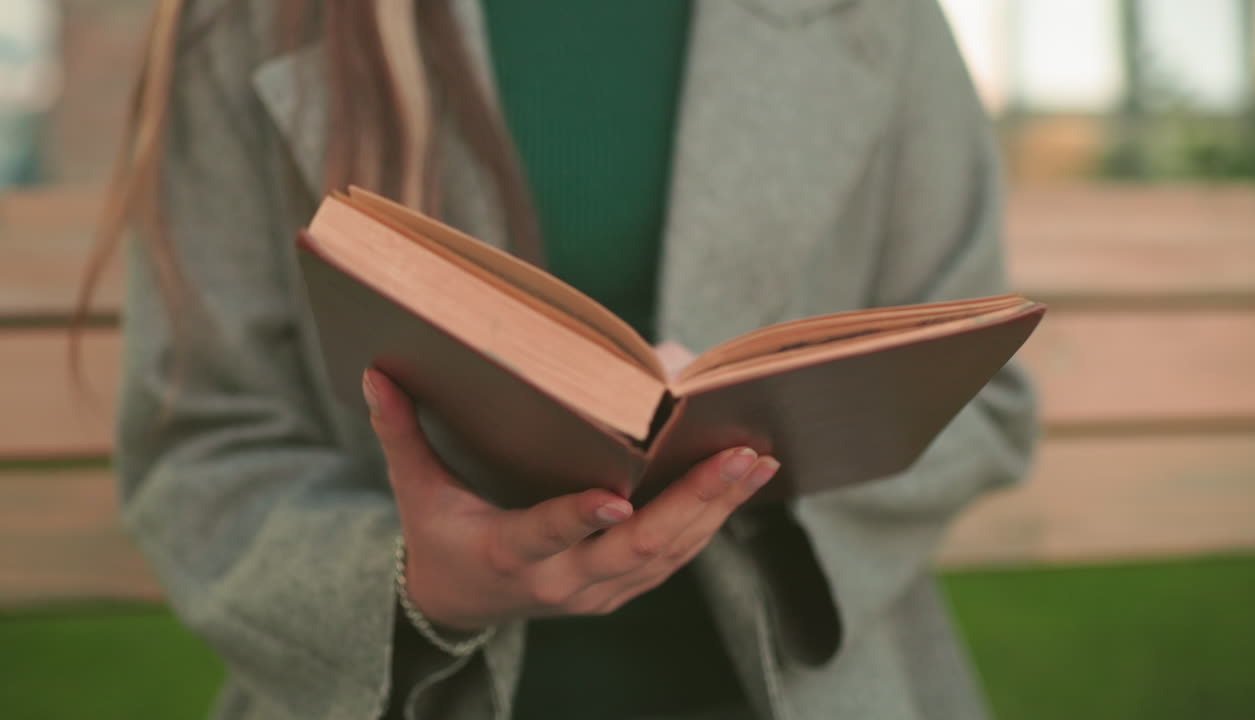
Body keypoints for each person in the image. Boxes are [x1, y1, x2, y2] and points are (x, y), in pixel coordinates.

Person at [96, 0, 1037, 718]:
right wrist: (414, 585)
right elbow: (201, 447)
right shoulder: (253, 21)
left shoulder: (875, 16)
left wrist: (741, 464)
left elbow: (984, 398)